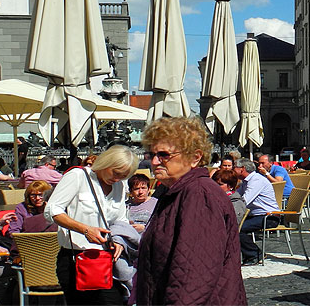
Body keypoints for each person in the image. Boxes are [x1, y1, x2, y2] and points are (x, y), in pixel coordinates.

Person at [136, 116, 246, 306]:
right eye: (151, 154)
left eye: (164, 155)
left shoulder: (199, 195)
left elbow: (193, 277)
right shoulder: (176, 192)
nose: (154, 161)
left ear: (195, 157)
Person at [45, 144, 136, 305]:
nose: (117, 179)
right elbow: (52, 211)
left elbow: (121, 220)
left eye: (123, 176)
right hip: (77, 259)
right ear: (106, 163)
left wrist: (119, 241)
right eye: (115, 173)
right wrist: (85, 229)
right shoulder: (78, 176)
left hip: (107, 260)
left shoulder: (120, 185)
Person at [235, 158, 280, 265]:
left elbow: (244, 201)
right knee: (231, 226)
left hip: (269, 216)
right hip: (256, 215)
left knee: (237, 229)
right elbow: (236, 197)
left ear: (242, 169)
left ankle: (255, 254)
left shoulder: (256, 180)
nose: (232, 170)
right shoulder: (246, 181)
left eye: (234, 168)